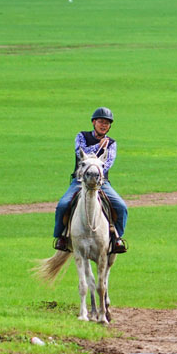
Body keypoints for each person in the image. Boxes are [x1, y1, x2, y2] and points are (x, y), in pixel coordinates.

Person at [53, 107, 128, 254]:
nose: (104, 125)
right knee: (62, 205)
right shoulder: (81, 136)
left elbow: (107, 164)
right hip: (80, 181)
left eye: (107, 123)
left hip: (101, 182)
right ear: (94, 122)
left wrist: (97, 171)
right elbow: (80, 153)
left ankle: (117, 238)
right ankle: (61, 237)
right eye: (101, 121)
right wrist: (98, 147)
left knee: (121, 206)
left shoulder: (112, 143)